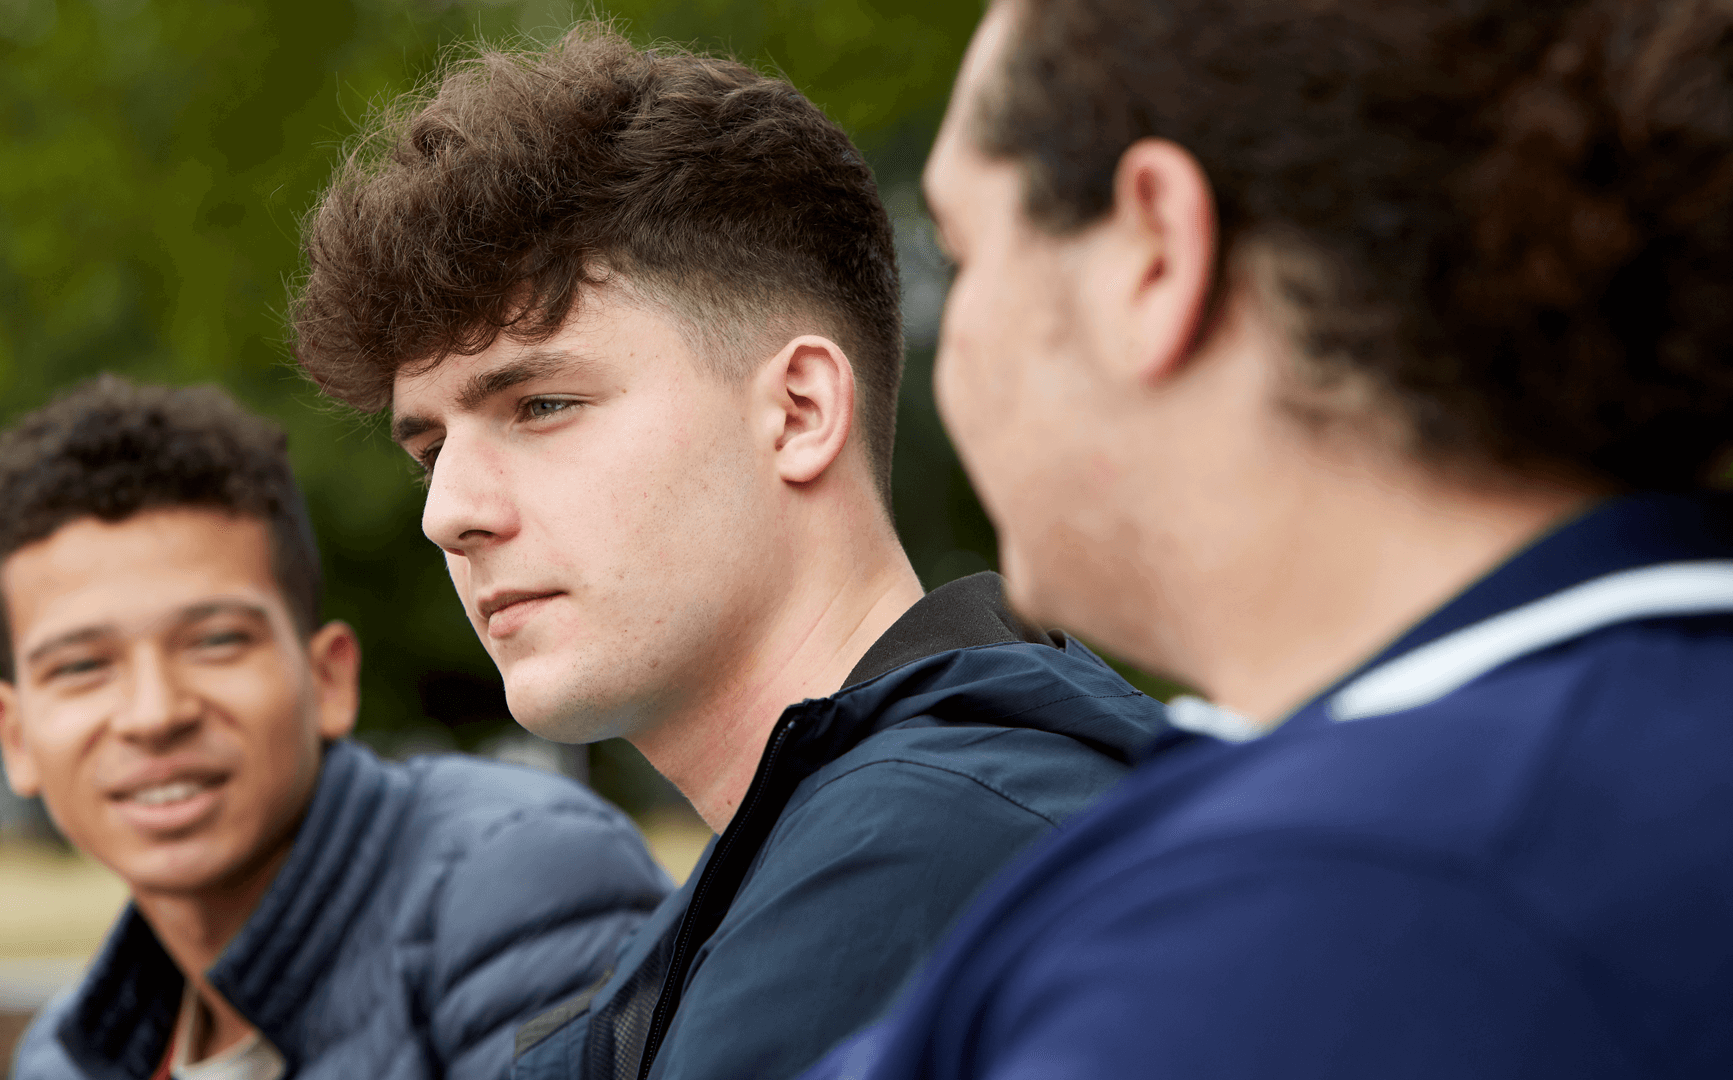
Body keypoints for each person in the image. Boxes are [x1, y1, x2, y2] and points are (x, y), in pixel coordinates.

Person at [799, 0, 1733, 1077]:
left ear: (1152, 253)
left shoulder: (1342, 912)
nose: (950, 346)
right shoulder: (1567, 755)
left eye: (962, 252)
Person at [288, 23, 1167, 1080]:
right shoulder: (805, 855)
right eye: (429, 449)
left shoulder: (923, 847)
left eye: (541, 403)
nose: (449, 514)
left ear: (798, 411)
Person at [0, 375, 670, 1080]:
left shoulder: (518, 884)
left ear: (329, 680)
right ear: (17, 737)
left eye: (215, 642)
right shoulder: (65, 1053)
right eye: (82, 666)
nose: (155, 715)